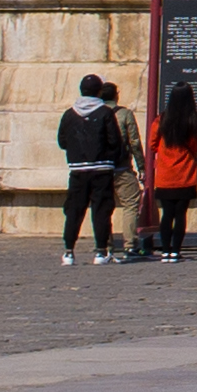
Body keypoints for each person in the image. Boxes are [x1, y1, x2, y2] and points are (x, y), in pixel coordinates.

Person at [52, 75, 133, 265]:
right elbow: (114, 140)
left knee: (74, 210)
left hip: (78, 169)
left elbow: (62, 141)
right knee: (101, 210)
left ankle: (69, 251)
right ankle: (101, 252)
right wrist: (111, 158)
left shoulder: (69, 114)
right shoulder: (105, 112)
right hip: (102, 168)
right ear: (99, 91)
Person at [144, 84, 197, 264]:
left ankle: (165, 250)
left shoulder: (161, 120)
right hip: (186, 174)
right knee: (180, 215)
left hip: (165, 174)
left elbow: (152, 144)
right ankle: (175, 251)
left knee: (167, 214)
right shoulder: (196, 121)